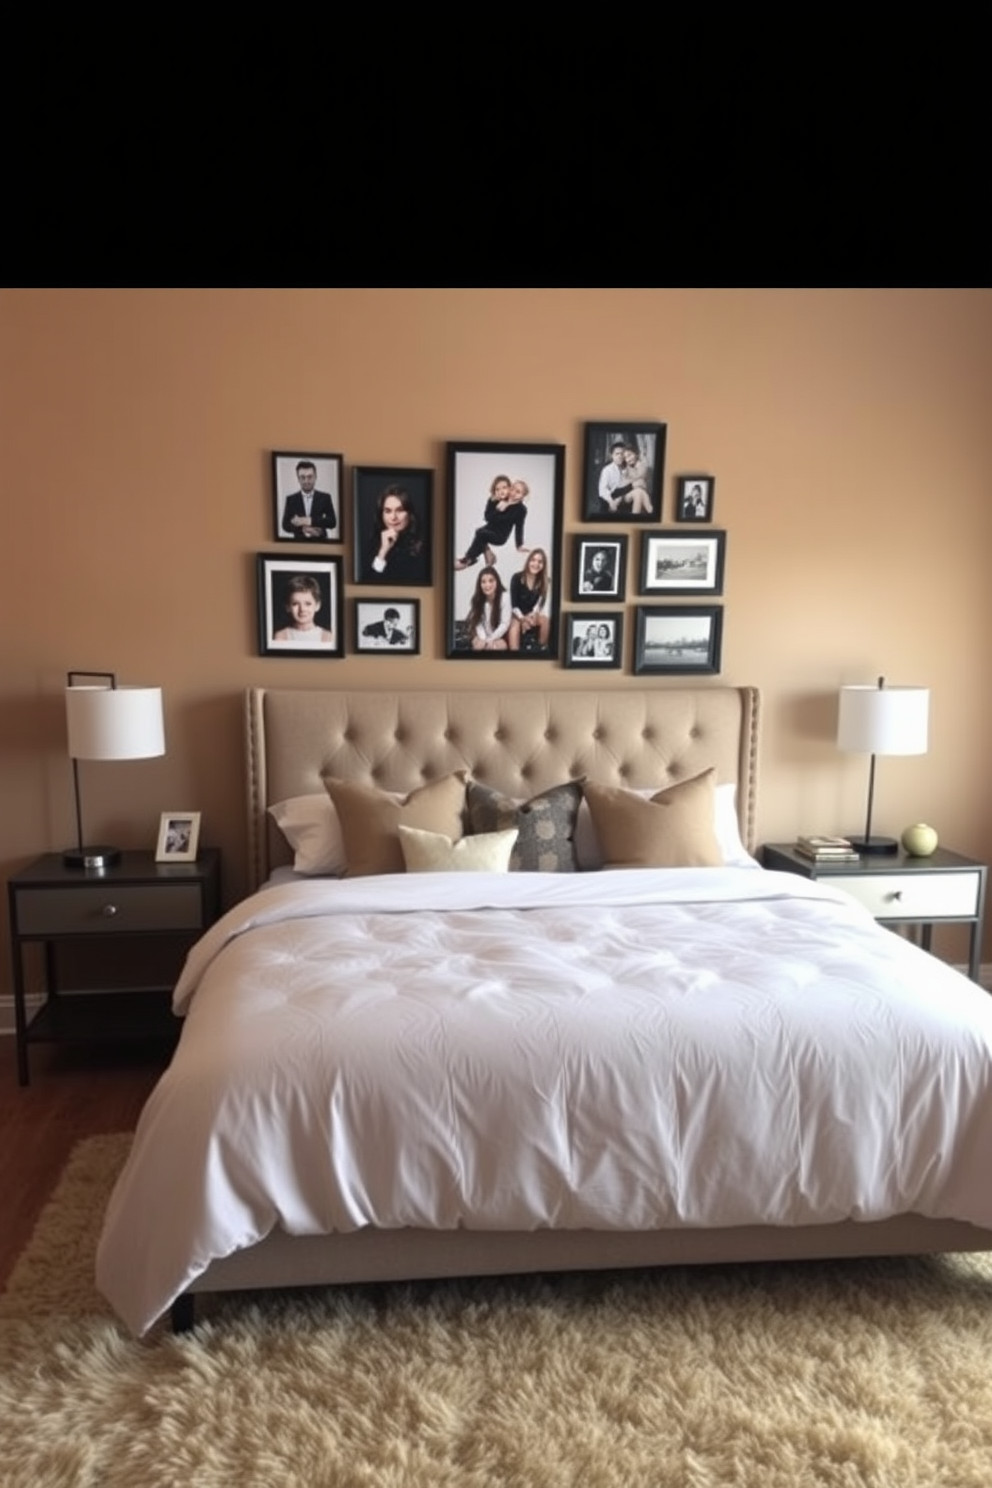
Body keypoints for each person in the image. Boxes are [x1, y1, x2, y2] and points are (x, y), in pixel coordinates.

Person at [455, 476, 530, 570]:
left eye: (518, 492)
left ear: (523, 496)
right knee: (480, 532)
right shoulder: (496, 500)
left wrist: (519, 545)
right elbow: (487, 518)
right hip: (489, 529)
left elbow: (519, 527)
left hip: (500, 536)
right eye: (513, 489)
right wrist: (498, 508)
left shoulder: (521, 510)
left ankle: (468, 559)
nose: (514, 493)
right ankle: (488, 555)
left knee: (480, 533)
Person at [363, 485, 427, 584]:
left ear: (409, 513)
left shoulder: (424, 544)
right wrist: (383, 551)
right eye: (388, 511)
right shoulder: (372, 545)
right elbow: (366, 587)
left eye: (399, 510)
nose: (393, 517)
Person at [281, 460, 337, 541]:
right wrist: (304, 529)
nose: (306, 481)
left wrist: (308, 521)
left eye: (310, 477)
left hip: (322, 544)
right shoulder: (291, 499)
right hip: (298, 545)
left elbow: (332, 522)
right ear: (298, 478)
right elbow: (285, 525)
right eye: (302, 477)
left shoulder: (325, 497)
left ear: (315, 477)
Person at [508, 548, 551, 652]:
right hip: (517, 614)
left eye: (540, 562)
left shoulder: (545, 581)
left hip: (532, 614)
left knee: (546, 621)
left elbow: (539, 604)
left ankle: (541, 650)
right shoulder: (517, 577)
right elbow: (514, 605)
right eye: (533, 560)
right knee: (514, 628)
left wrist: (532, 616)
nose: (536, 564)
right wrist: (523, 619)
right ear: (528, 561)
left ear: (544, 565)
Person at [272, 574, 335, 644]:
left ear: (317, 605)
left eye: (308, 604)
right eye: (295, 604)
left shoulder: (327, 637)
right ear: (287, 607)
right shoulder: (281, 636)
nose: (302, 609)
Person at [466, 565, 510, 650]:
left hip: (497, 635)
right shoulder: (478, 599)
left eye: (491, 581)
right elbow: (478, 623)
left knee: (501, 646)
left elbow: (504, 624)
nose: (487, 585)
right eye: (483, 582)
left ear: (497, 582)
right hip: (481, 634)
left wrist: (491, 639)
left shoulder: (505, 597)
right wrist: (484, 640)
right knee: (478, 645)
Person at [596, 443, 633, 514]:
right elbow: (602, 490)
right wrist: (611, 502)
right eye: (617, 454)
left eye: (622, 454)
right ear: (612, 455)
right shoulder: (607, 470)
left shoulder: (628, 468)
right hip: (610, 497)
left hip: (624, 497)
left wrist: (621, 498)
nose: (620, 456)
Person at [619, 445, 653, 515]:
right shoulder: (625, 469)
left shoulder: (642, 465)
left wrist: (631, 480)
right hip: (625, 496)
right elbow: (624, 483)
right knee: (639, 491)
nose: (628, 459)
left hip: (639, 493)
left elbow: (641, 475)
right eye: (625, 458)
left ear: (635, 454)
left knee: (639, 492)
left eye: (630, 455)